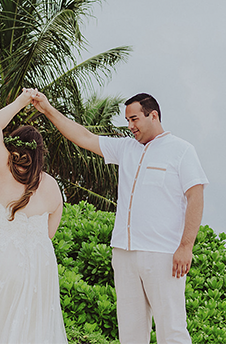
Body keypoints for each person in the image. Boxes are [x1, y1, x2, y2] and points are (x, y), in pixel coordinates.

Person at [31, 91, 207, 344]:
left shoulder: (181, 150)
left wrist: (186, 246)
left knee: (172, 330)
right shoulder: (125, 148)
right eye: (127, 120)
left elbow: (196, 196)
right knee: (130, 332)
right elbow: (83, 136)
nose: (130, 126)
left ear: (153, 115)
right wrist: (47, 109)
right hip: (123, 253)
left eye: (134, 119)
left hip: (163, 254)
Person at [0, 88, 68, 344]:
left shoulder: (0, 169)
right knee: (33, 333)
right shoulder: (54, 187)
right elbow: (48, 235)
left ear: (12, 147)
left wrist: (22, 101)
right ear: (40, 153)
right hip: (40, 269)